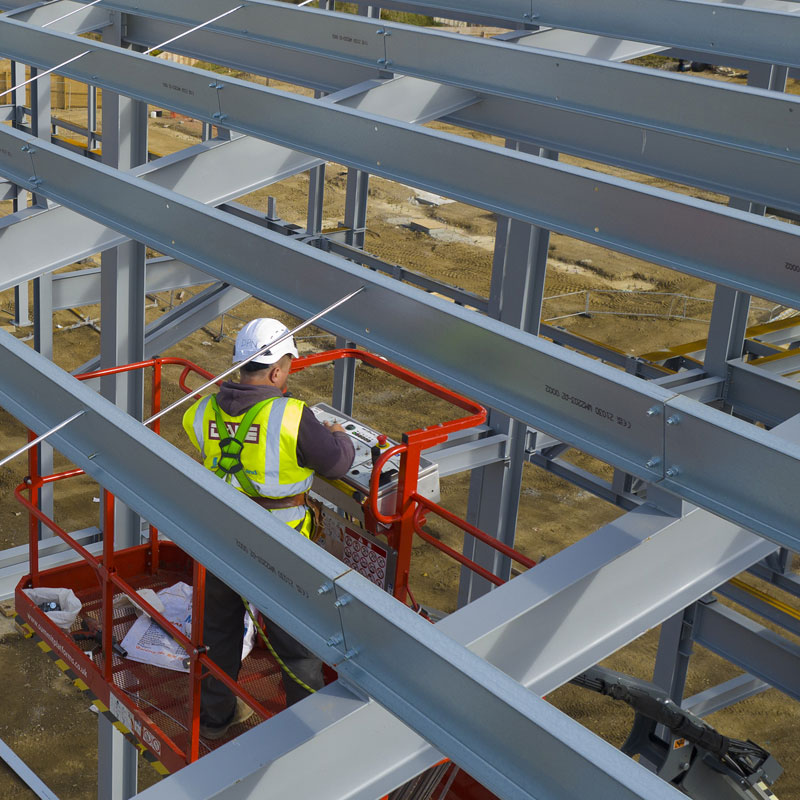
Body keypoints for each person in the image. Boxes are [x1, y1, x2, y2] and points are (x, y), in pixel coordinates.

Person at [182, 317, 355, 740]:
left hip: (220, 539)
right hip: (280, 550)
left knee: (218, 633)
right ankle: (303, 734)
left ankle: (215, 719)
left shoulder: (201, 410)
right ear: (277, 370)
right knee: (296, 647)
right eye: (289, 367)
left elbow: (207, 441)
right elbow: (336, 462)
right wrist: (338, 435)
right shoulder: (292, 416)